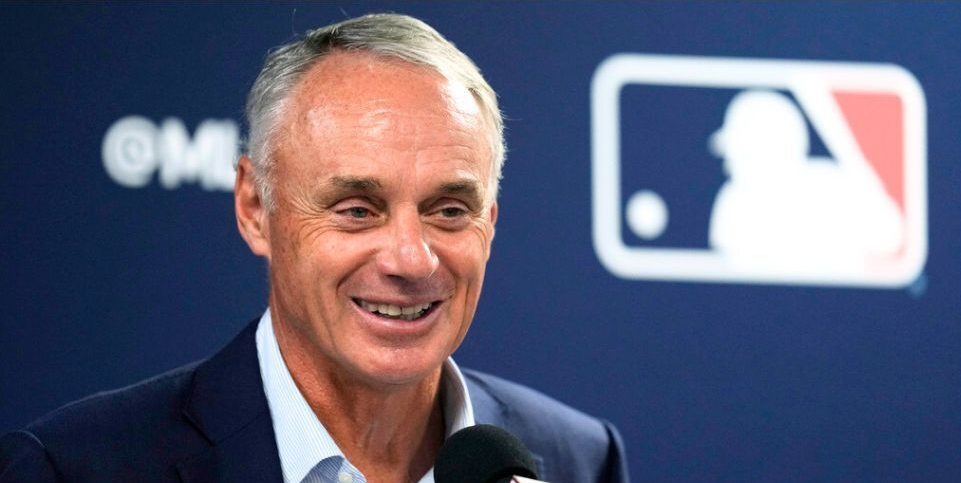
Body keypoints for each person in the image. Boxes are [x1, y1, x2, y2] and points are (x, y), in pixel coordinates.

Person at [0, 13, 628, 483]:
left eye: (448, 211)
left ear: (489, 222)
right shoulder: (71, 467)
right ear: (255, 208)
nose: (411, 259)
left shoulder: (580, 460)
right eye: (357, 210)